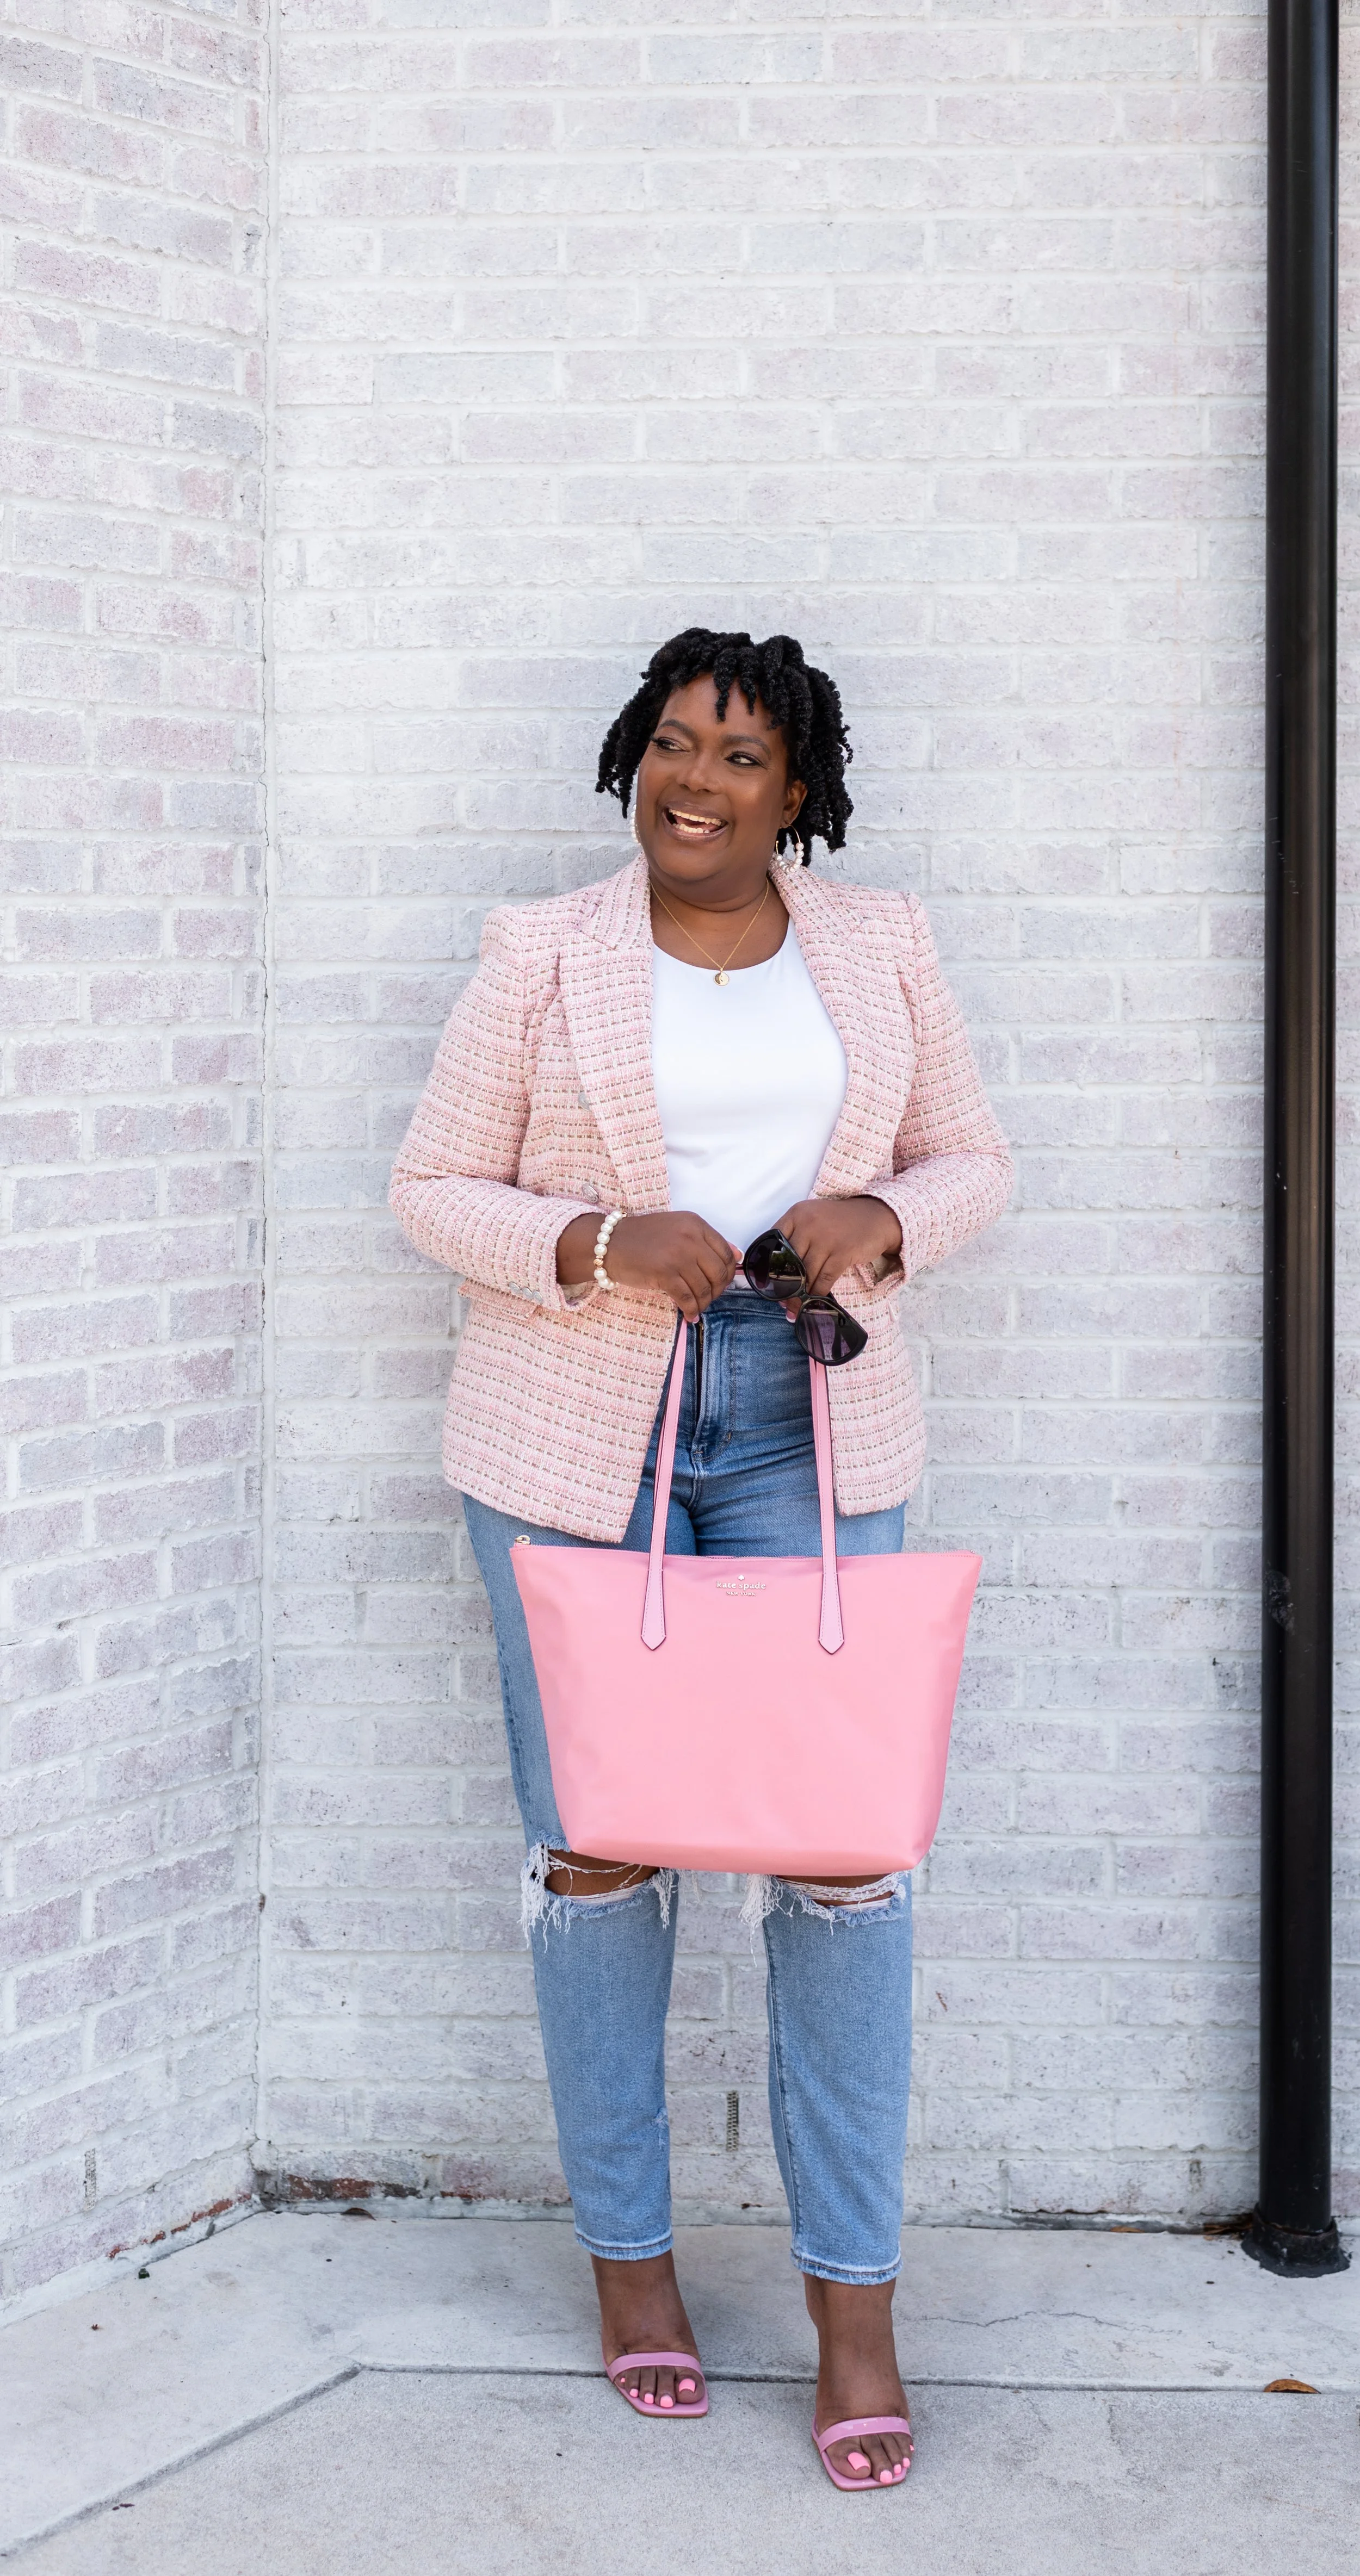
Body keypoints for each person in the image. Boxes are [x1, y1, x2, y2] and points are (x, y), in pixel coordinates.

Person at [390, 626, 1011, 2490]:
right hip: (576, 1445)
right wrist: (593, 1242)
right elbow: (431, 1184)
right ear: (631, 761)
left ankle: (851, 2304)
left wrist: (878, 1209)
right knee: (598, 1859)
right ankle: (636, 2272)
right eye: (671, 743)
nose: (695, 779)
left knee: (843, 1867)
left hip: (810, 1433)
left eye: (740, 756)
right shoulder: (541, 953)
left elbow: (973, 1157)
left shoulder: (881, 945)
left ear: (797, 792)